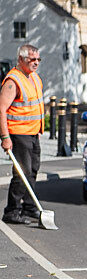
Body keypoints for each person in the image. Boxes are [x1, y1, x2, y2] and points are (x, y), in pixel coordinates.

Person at [0, 44, 45, 224]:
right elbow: (1, 109)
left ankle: (29, 206)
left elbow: (36, 105)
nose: (35, 63)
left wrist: (39, 128)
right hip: (19, 134)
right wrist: (5, 138)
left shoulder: (34, 78)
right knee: (22, 173)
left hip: (33, 133)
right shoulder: (13, 81)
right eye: (31, 60)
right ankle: (12, 210)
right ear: (21, 59)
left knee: (33, 170)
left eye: (38, 59)